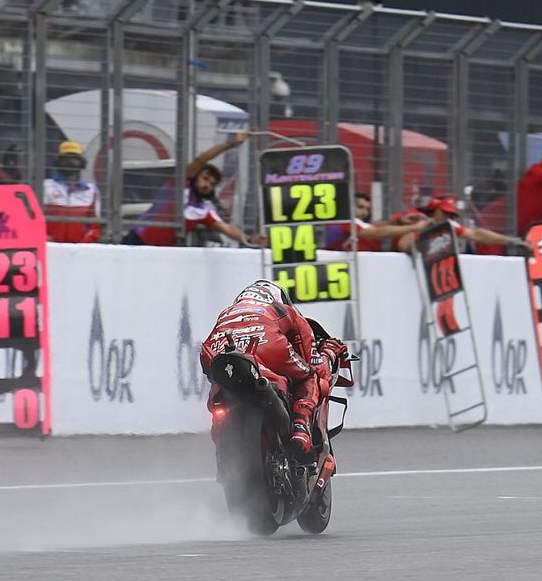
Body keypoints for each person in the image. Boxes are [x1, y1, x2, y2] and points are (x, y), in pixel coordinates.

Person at [199, 279, 346, 459]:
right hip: (268, 345)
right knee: (310, 376)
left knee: (219, 387)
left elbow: (208, 364)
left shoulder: (227, 312)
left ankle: (223, 451)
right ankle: (301, 430)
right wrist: (329, 352)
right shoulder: (282, 309)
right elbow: (316, 367)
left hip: (216, 349)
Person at [123, 131, 266, 247]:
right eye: (205, 178)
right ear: (196, 177)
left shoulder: (204, 210)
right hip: (138, 240)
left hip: (162, 252)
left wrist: (249, 239)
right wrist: (230, 144)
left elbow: (227, 228)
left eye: (212, 183)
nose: (207, 185)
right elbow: (201, 160)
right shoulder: (178, 186)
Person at [397, 195, 531, 253]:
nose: (447, 217)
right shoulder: (417, 218)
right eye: (444, 213)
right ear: (434, 209)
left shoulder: (446, 224)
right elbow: (403, 245)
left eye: (450, 215)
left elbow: (476, 234)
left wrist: (512, 241)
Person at [323, 192, 430, 251]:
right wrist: (415, 228)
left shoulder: (349, 222)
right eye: (360, 207)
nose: (364, 213)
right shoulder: (347, 221)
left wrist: (399, 221)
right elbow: (376, 232)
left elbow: (372, 227)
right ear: (349, 205)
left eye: (367, 209)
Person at [42, 141, 102, 243]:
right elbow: (33, 218)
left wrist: (83, 244)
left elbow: (95, 226)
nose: (70, 161)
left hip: (80, 250)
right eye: (66, 158)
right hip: (49, 247)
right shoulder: (45, 186)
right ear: (58, 161)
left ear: (81, 162)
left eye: (74, 158)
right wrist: (43, 237)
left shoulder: (91, 191)